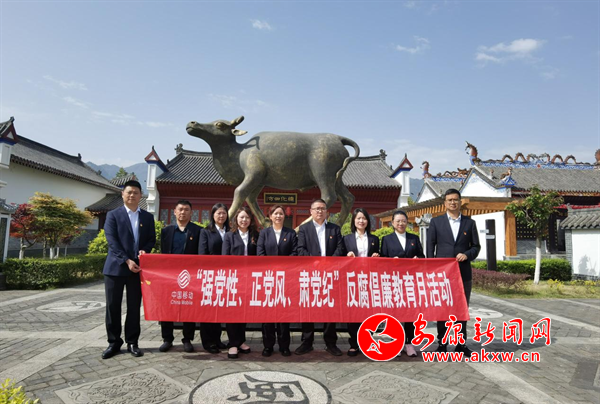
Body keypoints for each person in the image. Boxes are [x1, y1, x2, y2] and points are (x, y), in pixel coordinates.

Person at [102, 180, 156, 359]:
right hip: (115, 268)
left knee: (134, 307)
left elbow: (151, 239)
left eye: (135, 192)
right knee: (113, 306)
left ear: (141, 195)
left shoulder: (147, 217)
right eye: (129, 192)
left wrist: (145, 250)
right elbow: (112, 241)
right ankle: (114, 342)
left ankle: (132, 342)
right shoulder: (113, 215)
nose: (132, 195)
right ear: (122, 194)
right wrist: (126, 260)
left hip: (137, 269)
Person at [427, 188, 481, 356]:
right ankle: (442, 343)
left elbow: (476, 246)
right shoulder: (436, 222)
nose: (452, 202)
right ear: (445, 203)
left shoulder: (469, 223)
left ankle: (461, 344)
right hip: (442, 274)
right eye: (449, 200)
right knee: (442, 309)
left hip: (463, 274)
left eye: (455, 199)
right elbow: (430, 247)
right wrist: (432, 269)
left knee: (461, 309)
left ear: (460, 202)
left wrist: (467, 254)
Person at [295, 198, 344, 356]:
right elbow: (300, 249)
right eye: (316, 208)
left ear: (327, 212)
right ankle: (307, 342)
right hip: (310, 274)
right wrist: (314, 262)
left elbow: (340, 248)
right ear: (311, 211)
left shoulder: (334, 229)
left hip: (330, 274)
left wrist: (329, 263)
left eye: (322, 208)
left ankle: (330, 342)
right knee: (308, 308)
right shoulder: (304, 228)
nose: (320, 211)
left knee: (330, 308)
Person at [158, 200, 202, 353]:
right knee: (167, 306)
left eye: (186, 210)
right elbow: (163, 253)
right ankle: (167, 339)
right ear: (175, 212)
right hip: (169, 275)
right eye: (180, 209)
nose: (183, 212)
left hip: (190, 276)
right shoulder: (166, 231)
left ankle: (187, 339)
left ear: (191, 213)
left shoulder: (198, 231)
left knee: (188, 306)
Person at [381, 210, 425, 358]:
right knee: (395, 313)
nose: (401, 223)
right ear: (392, 223)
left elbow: (422, 256)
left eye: (403, 221)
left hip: (410, 281)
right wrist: (390, 261)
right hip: (393, 281)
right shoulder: (387, 239)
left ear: (407, 222)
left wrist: (417, 259)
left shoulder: (414, 238)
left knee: (410, 313)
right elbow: (382, 260)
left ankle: (409, 343)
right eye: (398, 221)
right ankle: (396, 341)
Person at [257, 205, 298, 357]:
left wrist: (282, 267)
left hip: (285, 279)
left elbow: (294, 253)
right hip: (268, 278)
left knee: (283, 313)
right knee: (267, 314)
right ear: (270, 216)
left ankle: (284, 345)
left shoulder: (291, 233)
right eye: (275, 213)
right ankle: (268, 345)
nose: (278, 216)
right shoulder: (264, 233)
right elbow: (260, 254)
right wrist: (271, 268)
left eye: (281, 214)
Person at [342, 208, 380, 357]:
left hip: (369, 280)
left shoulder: (374, 239)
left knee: (367, 312)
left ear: (368, 221)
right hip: (352, 280)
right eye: (358, 218)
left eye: (364, 218)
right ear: (354, 221)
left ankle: (366, 341)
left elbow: (381, 258)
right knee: (353, 312)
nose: (361, 221)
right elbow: (339, 258)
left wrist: (377, 256)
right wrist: (347, 256)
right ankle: (354, 343)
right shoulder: (347, 239)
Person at [222, 206, 258, 359]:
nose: (244, 220)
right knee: (232, 311)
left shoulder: (255, 235)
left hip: (249, 279)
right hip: (233, 278)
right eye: (241, 217)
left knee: (243, 311)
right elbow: (225, 257)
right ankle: (232, 343)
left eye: (247, 217)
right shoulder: (229, 236)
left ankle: (241, 340)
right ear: (236, 219)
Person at [198, 203, 229, 354]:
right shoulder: (206, 232)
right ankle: (208, 342)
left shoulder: (230, 231)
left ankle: (217, 339)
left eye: (224, 213)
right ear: (213, 215)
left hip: (227, 276)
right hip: (210, 275)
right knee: (208, 309)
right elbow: (202, 253)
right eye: (218, 213)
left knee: (219, 309)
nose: (221, 216)